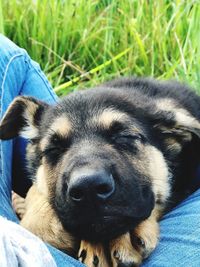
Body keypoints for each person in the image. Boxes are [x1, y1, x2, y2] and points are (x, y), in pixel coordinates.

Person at [0, 34, 200, 267]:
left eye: (124, 137)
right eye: (55, 149)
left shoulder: (169, 125)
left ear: (171, 138)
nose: (86, 179)